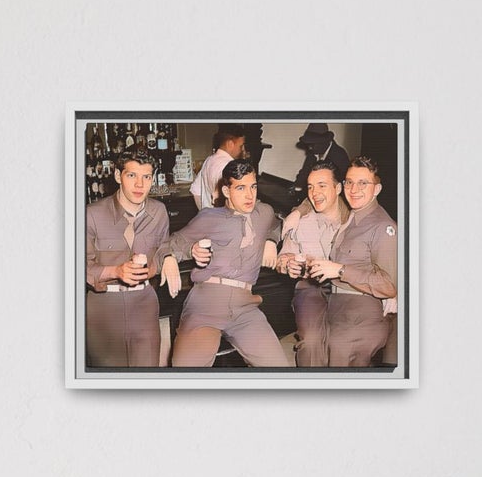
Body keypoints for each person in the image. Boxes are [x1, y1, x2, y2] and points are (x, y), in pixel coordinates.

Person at [168, 158, 286, 367]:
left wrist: (271, 239)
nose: (250, 195)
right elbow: (173, 242)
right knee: (186, 372)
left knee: (279, 369)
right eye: (241, 188)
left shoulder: (264, 212)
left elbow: (278, 224)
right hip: (206, 304)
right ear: (226, 191)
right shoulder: (209, 217)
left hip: (245, 308)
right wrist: (185, 251)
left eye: (253, 187)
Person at [306, 156, 397, 366]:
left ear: (377, 189)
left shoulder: (382, 227)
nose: (354, 189)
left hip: (361, 312)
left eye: (363, 183)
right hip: (336, 305)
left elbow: (389, 285)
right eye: (349, 182)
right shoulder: (353, 215)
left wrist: (339, 270)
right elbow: (314, 195)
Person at [83, 149, 170, 367]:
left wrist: (163, 263)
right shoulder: (91, 214)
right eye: (132, 175)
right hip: (103, 307)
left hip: (144, 303)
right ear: (117, 176)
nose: (140, 185)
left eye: (146, 177)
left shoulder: (159, 212)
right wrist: (116, 271)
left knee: (146, 378)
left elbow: (163, 249)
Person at [277, 164, 348, 367]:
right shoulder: (300, 221)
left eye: (322, 185)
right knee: (311, 341)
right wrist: (286, 264)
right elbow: (283, 258)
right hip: (310, 289)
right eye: (310, 187)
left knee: (344, 342)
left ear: (338, 188)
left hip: (346, 290)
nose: (314, 193)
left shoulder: (354, 221)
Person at [288, 122, 350, 208]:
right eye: (309, 144)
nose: (310, 148)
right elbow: (304, 173)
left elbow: (343, 187)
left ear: (324, 142)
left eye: (313, 144)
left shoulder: (339, 155)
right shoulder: (314, 152)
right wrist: (295, 189)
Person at [189, 125, 249, 209]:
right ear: (230, 144)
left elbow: (195, 190)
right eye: (241, 146)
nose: (243, 150)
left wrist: (204, 213)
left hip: (210, 218)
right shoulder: (230, 166)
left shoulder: (209, 160)